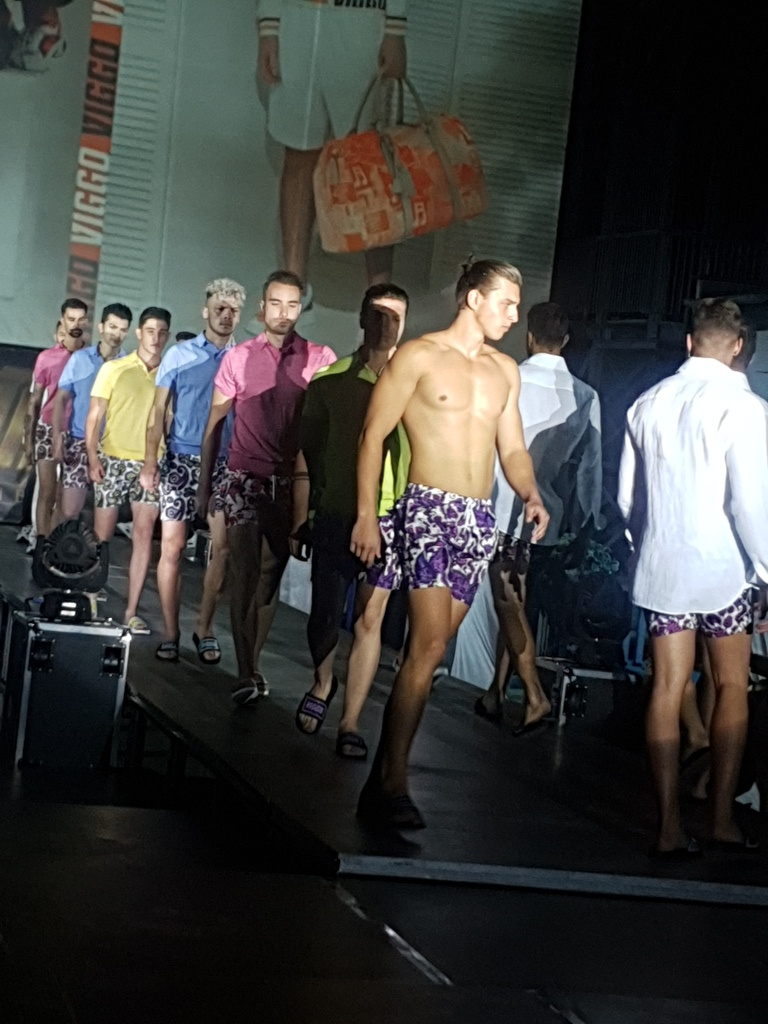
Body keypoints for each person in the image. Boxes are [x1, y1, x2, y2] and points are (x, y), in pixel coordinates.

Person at [350, 259, 549, 828]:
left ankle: (382, 780)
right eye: (505, 303)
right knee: (430, 645)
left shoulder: (504, 370)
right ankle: (394, 784)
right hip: (427, 511)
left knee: (428, 652)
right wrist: (367, 516)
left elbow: (512, 447)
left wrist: (530, 493)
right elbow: (373, 436)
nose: (513, 316)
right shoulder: (418, 356)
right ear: (473, 299)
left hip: (476, 520)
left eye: (516, 306)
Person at [618, 298, 768, 857]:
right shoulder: (744, 406)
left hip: (664, 566)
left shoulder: (647, 402)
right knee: (731, 685)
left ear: (688, 342)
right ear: (738, 346)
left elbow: (628, 499)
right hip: (724, 569)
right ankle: (721, 820)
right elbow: (749, 503)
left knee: (666, 687)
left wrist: (645, 547)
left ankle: (668, 828)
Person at [197, 270, 336, 699]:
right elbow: (215, 424)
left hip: (290, 481)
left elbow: (323, 431)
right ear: (262, 307)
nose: (283, 312)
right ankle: (244, 671)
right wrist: (205, 486)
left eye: (292, 304)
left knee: (270, 576)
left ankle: (252, 664)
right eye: (276, 303)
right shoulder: (239, 358)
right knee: (243, 572)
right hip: (243, 476)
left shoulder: (319, 358)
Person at [469, 302, 602, 732]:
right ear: (566, 340)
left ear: (529, 336)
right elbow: (590, 470)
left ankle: (533, 694)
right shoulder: (586, 395)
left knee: (507, 601)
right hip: (543, 514)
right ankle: (495, 692)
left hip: (496, 504)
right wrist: (586, 524)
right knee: (516, 602)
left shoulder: (508, 379)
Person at [292, 284, 410, 758]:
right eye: (377, 315)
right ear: (361, 318)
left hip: (391, 514)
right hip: (337, 510)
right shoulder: (331, 380)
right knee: (325, 613)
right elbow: (309, 449)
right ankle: (323, 680)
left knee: (369, 618)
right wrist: (304, 513)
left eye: (395, 317)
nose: (385, 325)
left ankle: (351, 721)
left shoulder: (417, 382)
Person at [257, 0, 407, 304]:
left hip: (362, 18)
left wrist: (395, 27)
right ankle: (294, 290)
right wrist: (269, 26)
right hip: (297, 18)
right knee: (299, 154)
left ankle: (379, 297)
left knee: (371, 160)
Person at [140, 279, 246, 663]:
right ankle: (171, 632)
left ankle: (205, 626)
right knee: (172, 546)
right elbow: (158, 411)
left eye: (232, 310)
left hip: (225, 463)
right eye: (219, 308)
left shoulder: (244, 358)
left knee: (223, 548)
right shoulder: (179, 355)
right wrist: (150, 460)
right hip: (181, 460)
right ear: (206, 311)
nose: (225, 316)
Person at [86, 307, 171, 634]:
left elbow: (168, 420)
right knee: (102, 536)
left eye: (162, 332)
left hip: (150, 462)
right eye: (150, 330)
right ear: (139, 333)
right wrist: (92, 456)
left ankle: (131, 611)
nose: (156, 337)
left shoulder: (168, 373)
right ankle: (91, 597)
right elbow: (95, 414)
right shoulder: (114, 368)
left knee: (143, 535)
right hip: (113, 458)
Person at [51, 303, 132, 524]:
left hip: (111, 447)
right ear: (101, 326)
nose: (116, 334)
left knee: (104, 517)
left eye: (122, 329)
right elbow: (61, 398)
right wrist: (57, 435)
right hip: (78, 441)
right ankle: (54, 545)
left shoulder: (128, 366)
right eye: (112, 327)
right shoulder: (80, 359)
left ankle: (93, 549)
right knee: (69, 511)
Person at [24, 298, 87, 537]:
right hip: (48, 427)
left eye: (81, 319)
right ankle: (41, 544)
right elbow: (34, 400)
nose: (76, 324)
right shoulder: (46, 357)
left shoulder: (90, 357)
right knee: (47, 491)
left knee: (66, 496)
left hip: (77, 431)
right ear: (63, 321)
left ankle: (54, 544)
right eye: (71, 319)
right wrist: (29, 440)